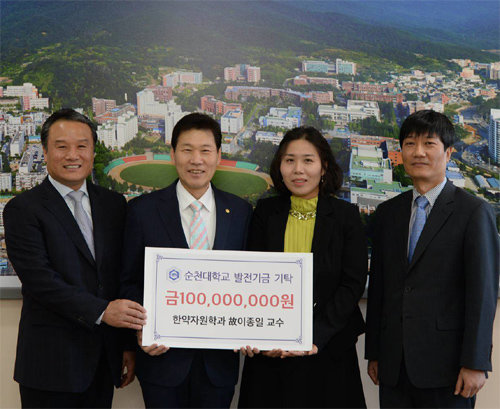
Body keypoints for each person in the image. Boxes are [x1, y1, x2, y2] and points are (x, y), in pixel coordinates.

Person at [3, 108, 147, 408]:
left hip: (102, 362)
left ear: (93, 151)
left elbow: (120, 277)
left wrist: (126, 345)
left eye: (82, 146)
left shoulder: (113, 204)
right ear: (45, 152)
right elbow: (41, 282)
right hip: (50, 366)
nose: (73, 155)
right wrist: (103, 311)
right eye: (61, 146)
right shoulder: (22, 209)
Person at [365, 110, 499, 408]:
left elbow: (483, 294)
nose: (418, 152)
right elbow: (380, 288)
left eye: (429, 143)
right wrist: (374, 351)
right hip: (393, 364)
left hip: (448, 368)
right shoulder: (388, 213)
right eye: (410, 144)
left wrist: (476, 362)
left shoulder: (473, 212)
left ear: (448, 153)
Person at [120, 112, 253, 408]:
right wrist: (141, 329)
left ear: (218, 155)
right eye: (187, 150)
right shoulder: (142, 211)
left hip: (219, 367)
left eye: (205, 150)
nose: (196, 160)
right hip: (161, 363)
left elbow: (249, 283)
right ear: (173, 154)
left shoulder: (241, 212)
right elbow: (128, 281)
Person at [238, 126, 368, 408]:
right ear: (280, 166)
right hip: (271, 354)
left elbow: (352, 284)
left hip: (328, 349)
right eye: (290, 160)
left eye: (308, 160)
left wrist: (313, 337)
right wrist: (261, 337)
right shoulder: (265, 213)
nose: (298, 169)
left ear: (324, 167)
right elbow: (251, 280)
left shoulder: (345, 216)